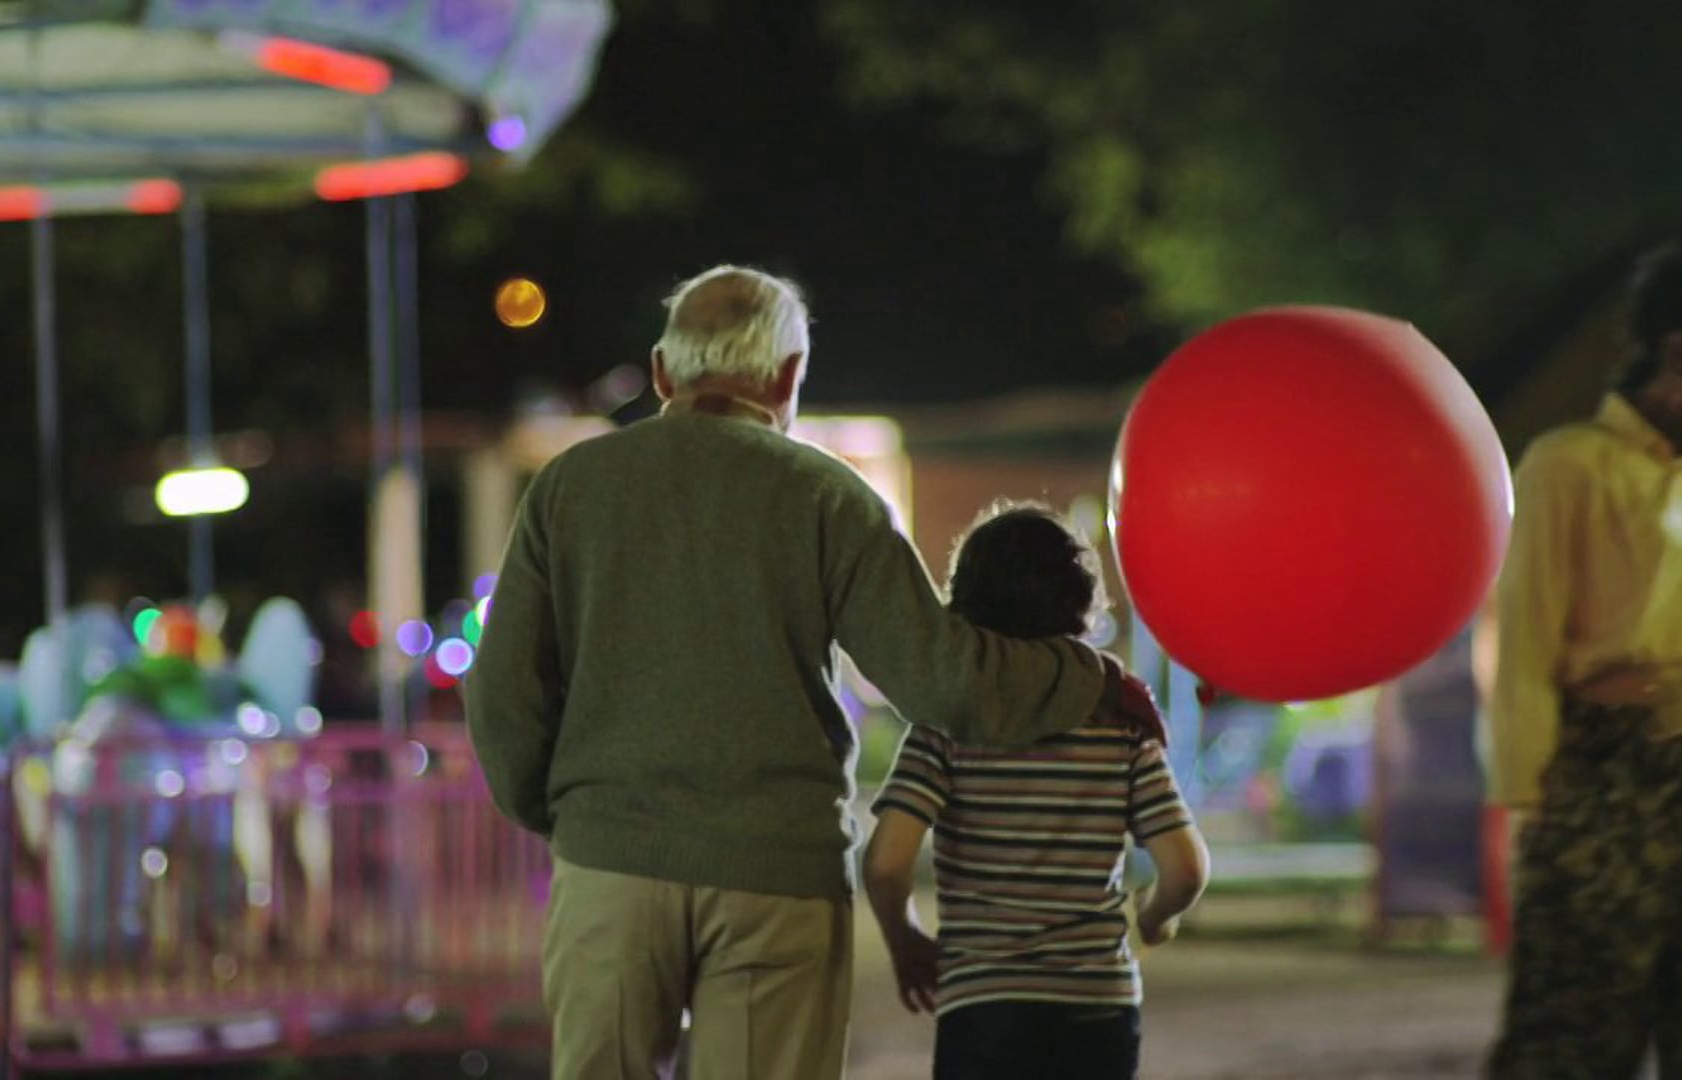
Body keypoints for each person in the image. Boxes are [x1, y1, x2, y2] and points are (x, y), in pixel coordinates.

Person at [463, 265, 1166, 1080]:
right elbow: (945, 682)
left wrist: (570, 816)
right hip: (778, 879)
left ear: (662, 375)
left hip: (611, 866)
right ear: (789, 376)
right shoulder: (831, 499)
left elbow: (504, 692)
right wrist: (1088, 679)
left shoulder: (569, 488)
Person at [1485, 223, 1682, 1077]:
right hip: (1609, 782)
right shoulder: (1568, 466)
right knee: (1571, 1044)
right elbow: (1526, 648)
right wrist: (1532, 809)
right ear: (1676, 354)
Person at [863, 501, 1207, 1080]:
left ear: (966, 603)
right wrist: (1153, 919)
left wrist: (905, 941)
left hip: (986, 1007)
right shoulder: (1119, 719)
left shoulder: (949, 722)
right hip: (1099, 1005)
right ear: (1081, 602)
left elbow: (885, 863)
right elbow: (1185, 870)